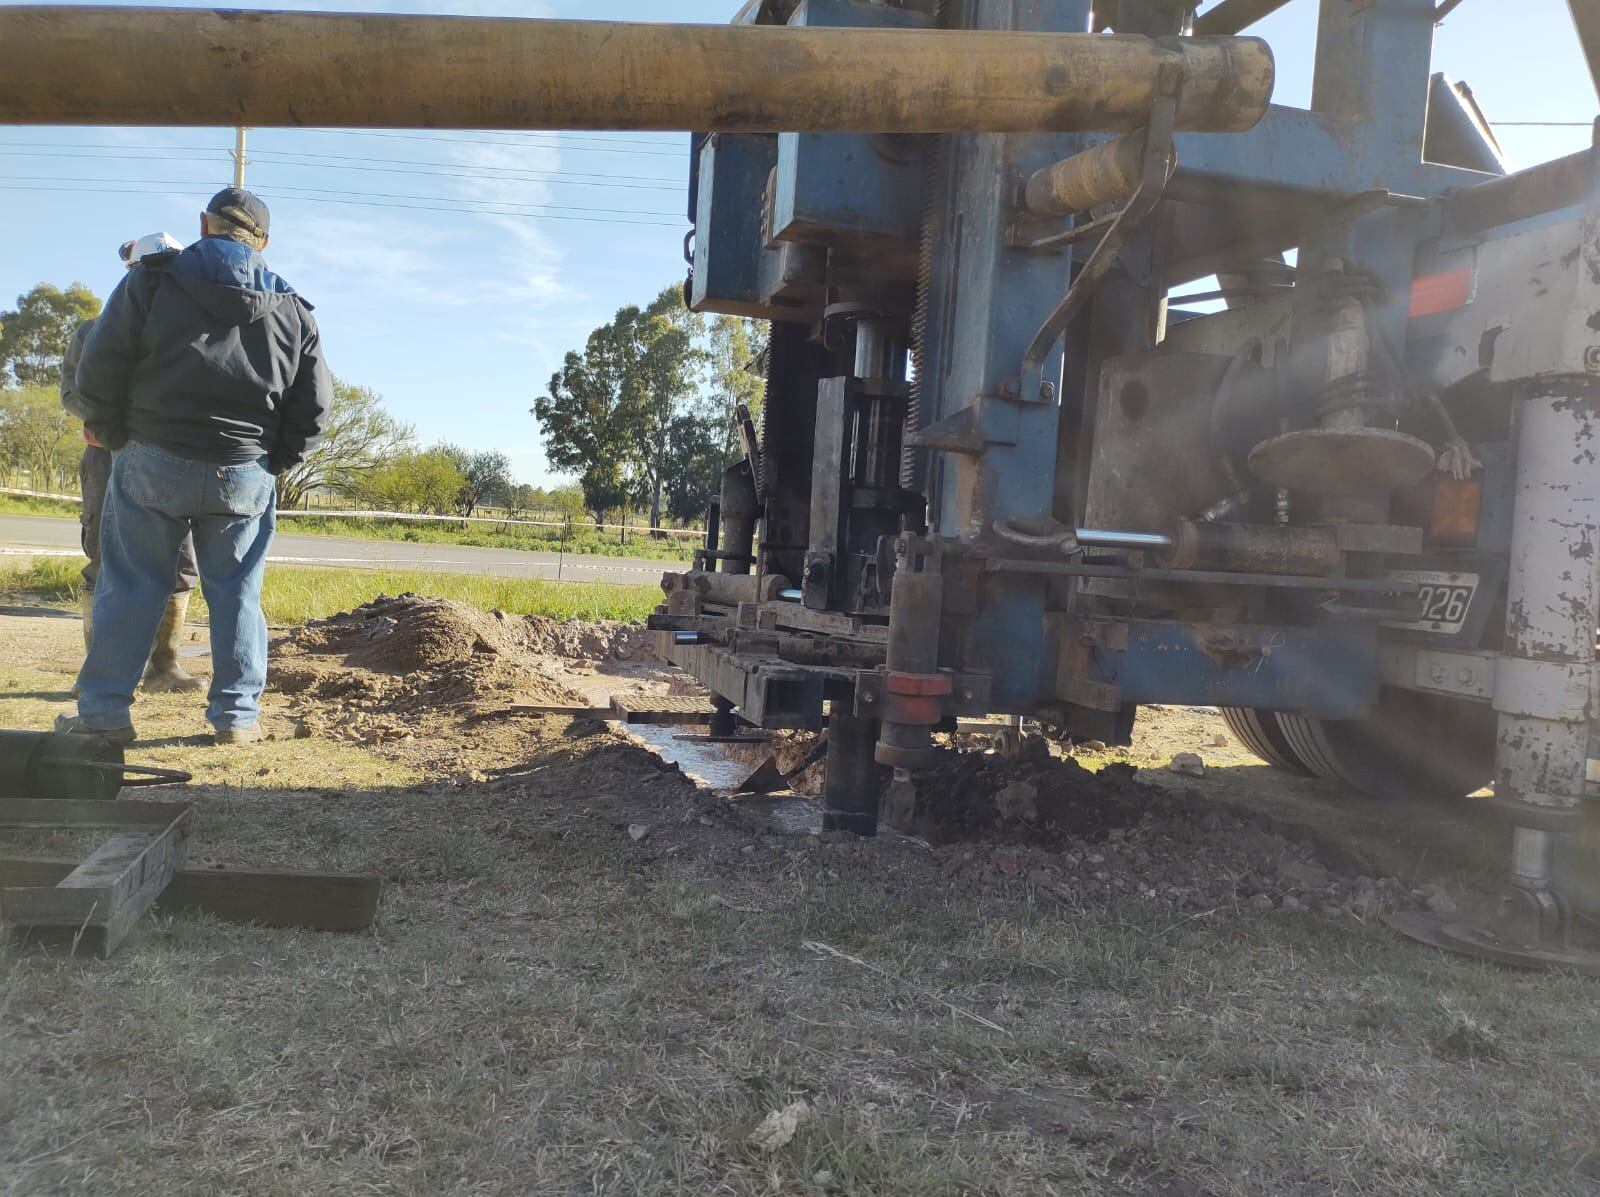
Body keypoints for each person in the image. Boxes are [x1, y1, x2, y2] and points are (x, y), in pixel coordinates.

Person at [59, 187, 331, 745]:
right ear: (264, 242)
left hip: (151, 459)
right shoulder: (292, 309)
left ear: (204, 225)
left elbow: (99, 365)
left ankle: (105, 715)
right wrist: (272, 461)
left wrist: (116, 439)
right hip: (243, 470)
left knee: (132, 584)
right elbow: (315, 407)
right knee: (236, 592)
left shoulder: (151, 280)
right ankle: (235, 717)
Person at [60, 231, 201, 696]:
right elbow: (73, 392)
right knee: (104, 559)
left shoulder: (185, 329)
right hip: (107, 460)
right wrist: (101, 421)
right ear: (131, 273)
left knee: (181, 561)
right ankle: (96, 675)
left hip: (170, 462)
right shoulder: (90, 331)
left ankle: (165, 665)